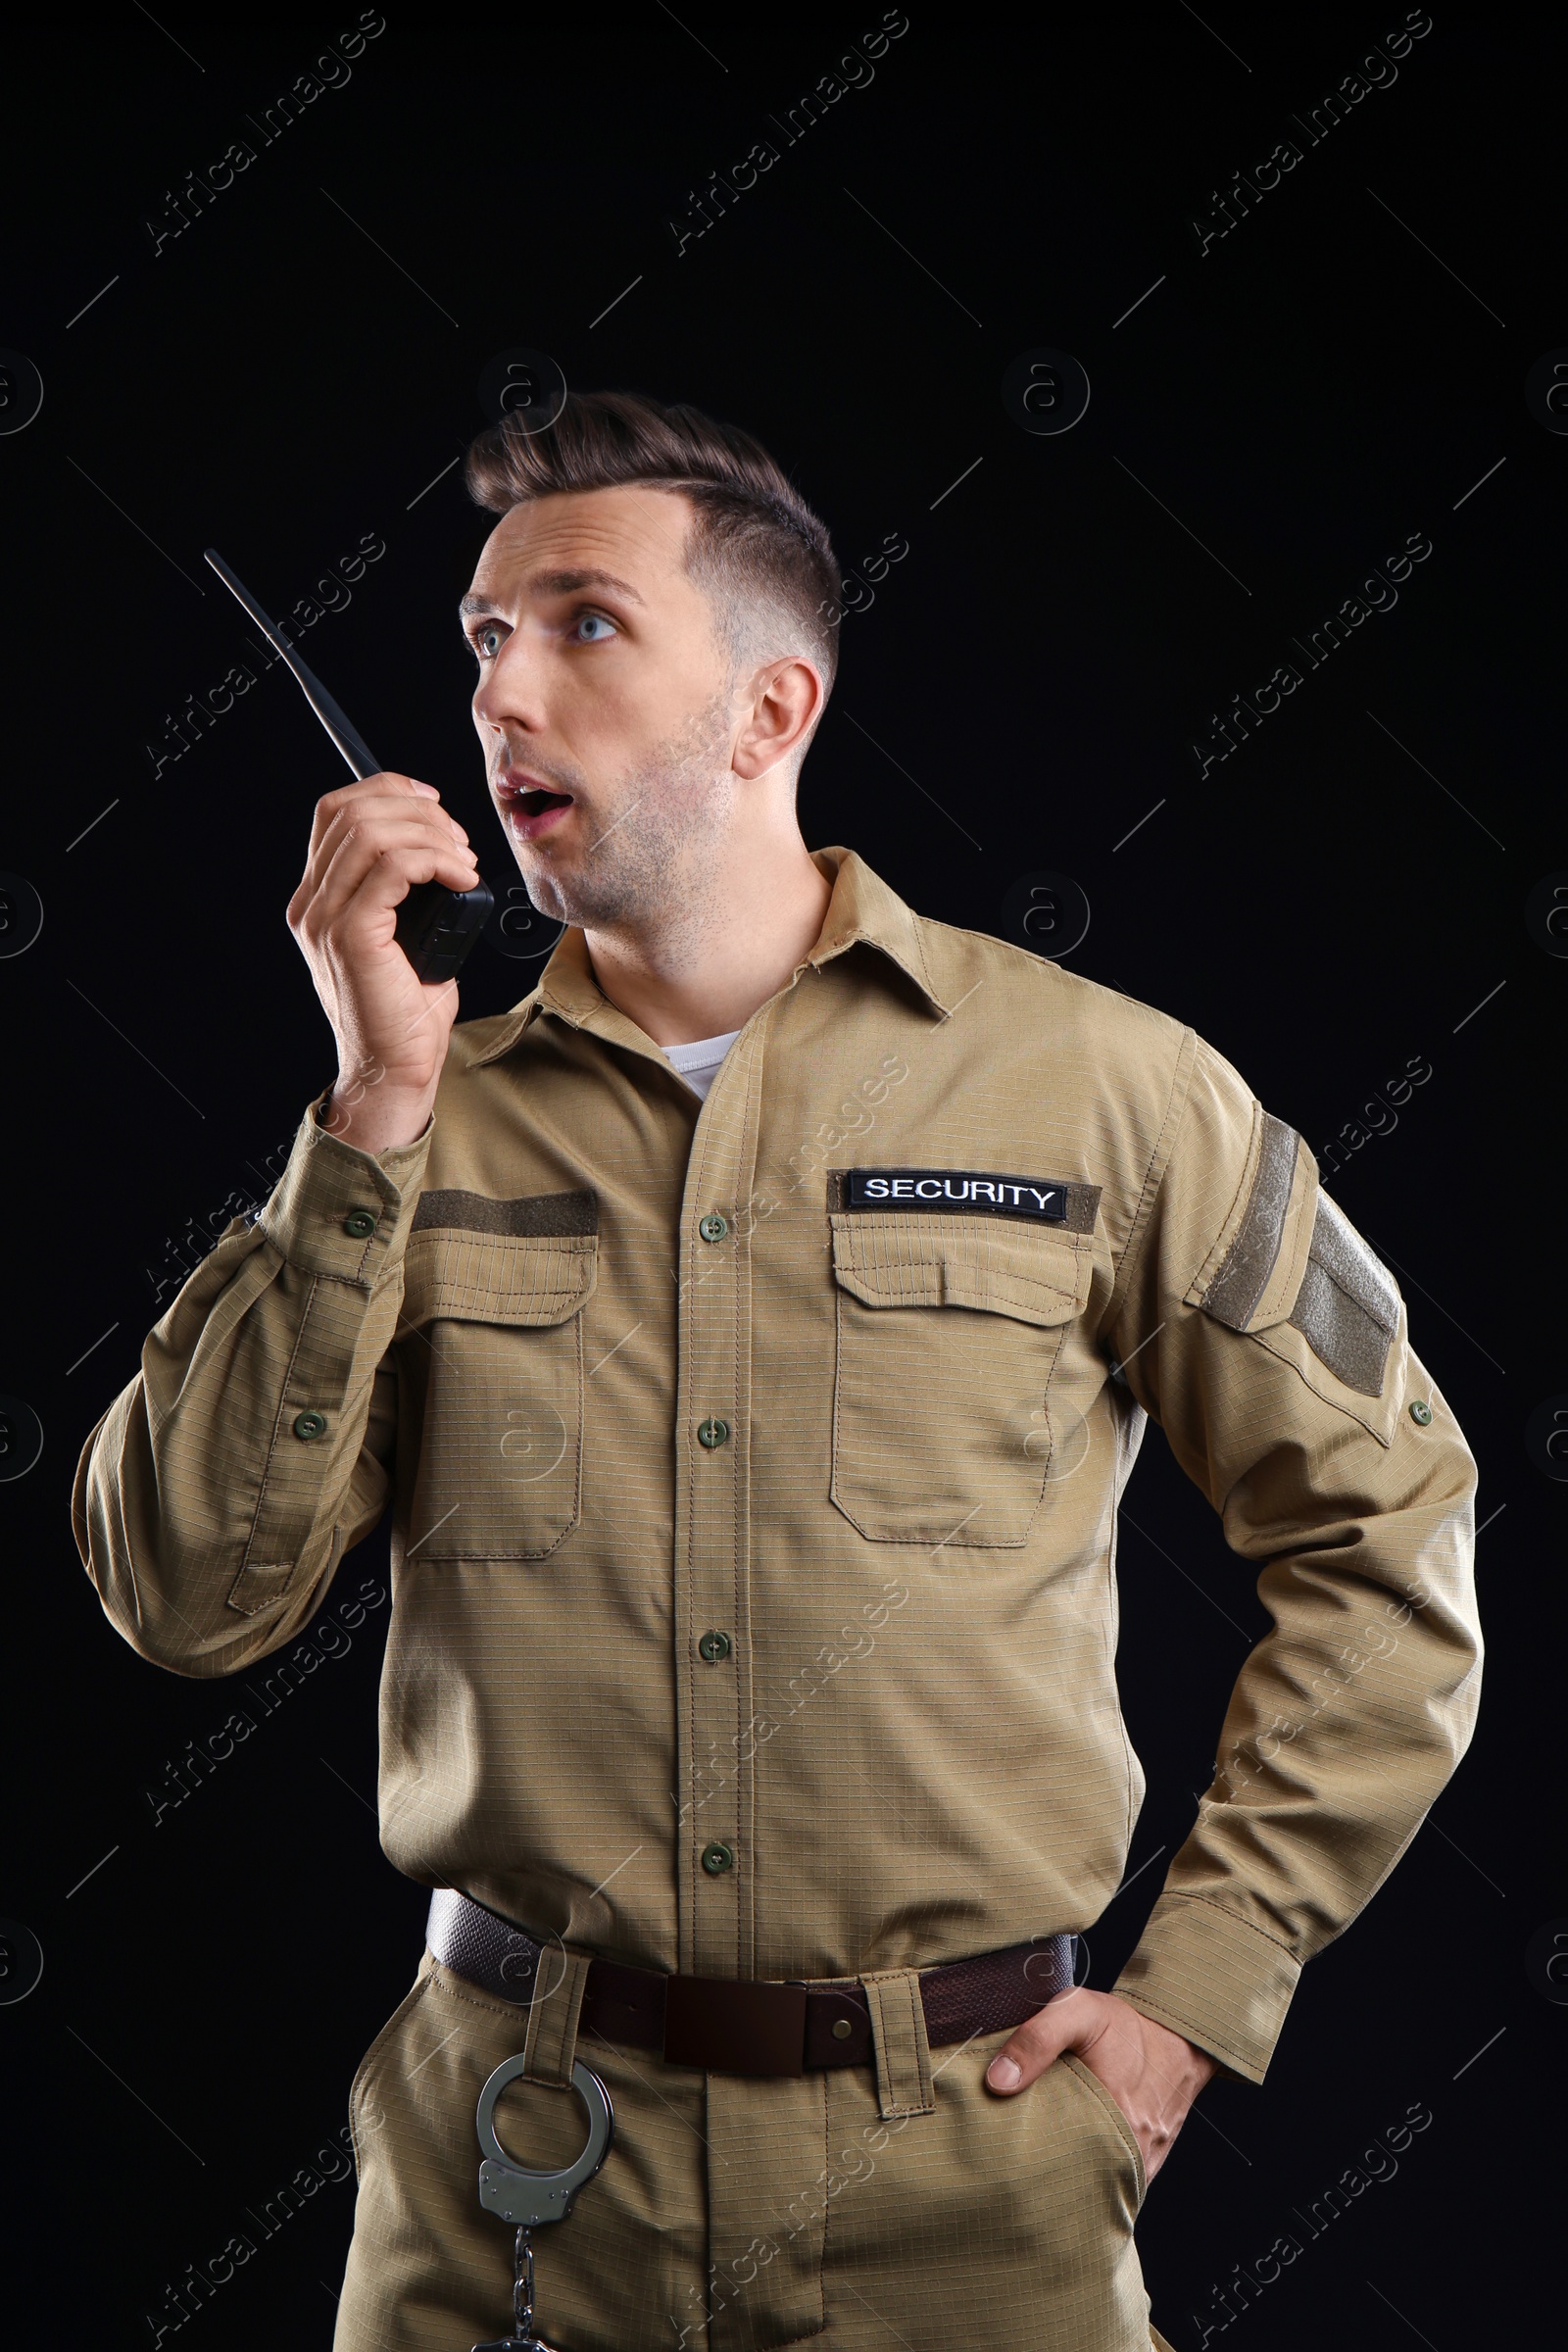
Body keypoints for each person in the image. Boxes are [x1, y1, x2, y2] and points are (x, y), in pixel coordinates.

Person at [74, 390, 1481, 2352]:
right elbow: (183, 1599)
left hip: (971, 2192)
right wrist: (373, 1106)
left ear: (767, 712)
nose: (501, 698)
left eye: (578, 625)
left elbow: (1388, 1525)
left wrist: (1191, 2000)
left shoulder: (1107, 1090)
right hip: (509, 2186)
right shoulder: (406, 1129)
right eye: (481, 638)